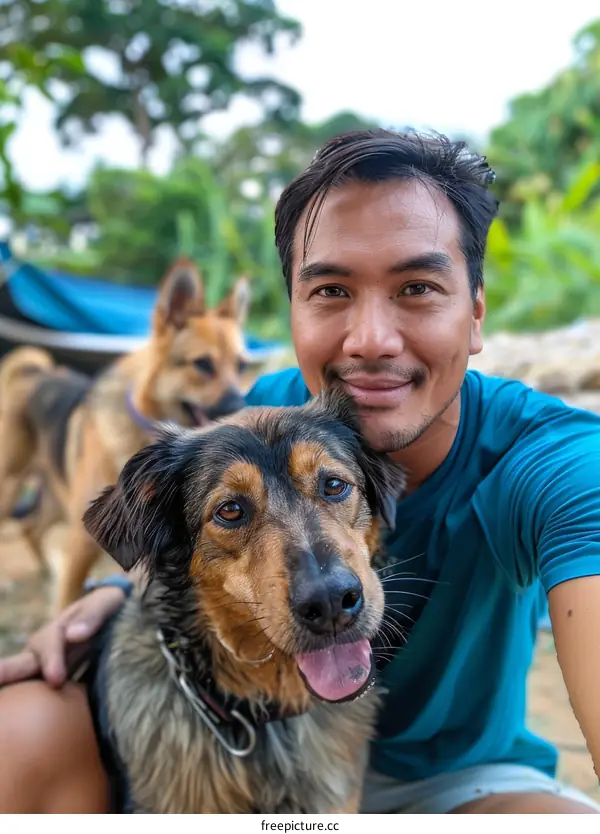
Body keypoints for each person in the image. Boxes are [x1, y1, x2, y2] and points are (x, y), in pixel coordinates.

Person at [1, 129, 600, 814]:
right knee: (19, 725)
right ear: (293, 311)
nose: (371, 340)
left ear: (475, 311)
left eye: (417, 287)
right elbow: (177, 520)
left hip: (455, 787)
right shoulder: (273, 410)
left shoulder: (559, 464)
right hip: (240, 734)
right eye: (332, 290)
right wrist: (112, 590)